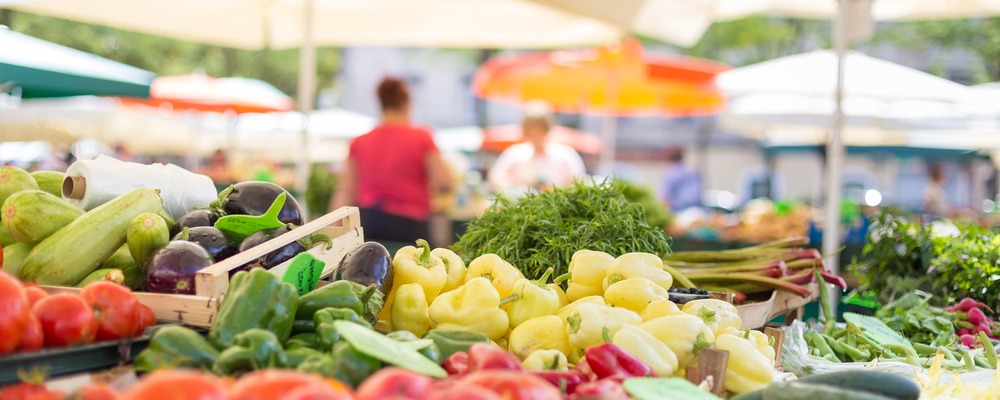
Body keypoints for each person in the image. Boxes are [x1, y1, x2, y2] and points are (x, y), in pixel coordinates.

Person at [331, 77, 452, 243]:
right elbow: (445, 181)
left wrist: (334, 231)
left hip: (369, 221)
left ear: (381, 104)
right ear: (407, 104)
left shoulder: (360, 142)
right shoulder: (422, 137)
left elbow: (346, 190)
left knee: (369, 267)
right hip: (410, 223)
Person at [487, 101, 586, 195]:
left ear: (547, 129)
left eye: (539, 130)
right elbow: (495, 178)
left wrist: (554, 189)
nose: (535, 135)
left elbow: (578, 183)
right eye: (531, 132)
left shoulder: (566, 156)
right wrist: (516, 180)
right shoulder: (515, 154)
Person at [659, 146, 702, 212]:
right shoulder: (692, 170)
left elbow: (666, 197)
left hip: (679, 212)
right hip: (696, 210)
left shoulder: (671, 172)